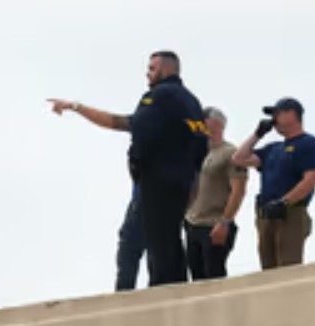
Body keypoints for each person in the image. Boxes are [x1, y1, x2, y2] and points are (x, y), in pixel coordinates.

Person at [50, 51, 207, 288]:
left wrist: (76, 106)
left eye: (152, 68)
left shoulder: (159, 96)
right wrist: (193, 183)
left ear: (166, 70)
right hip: (182, 185)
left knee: (148, 245)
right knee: (169, 241)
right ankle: (173, 290)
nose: (147, 73)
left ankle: (147, 295)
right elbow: (200, 148)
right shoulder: (192, 103)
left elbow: (127, 125)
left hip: (158, 185)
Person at [45, 99, 145, 291]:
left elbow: (113, 121)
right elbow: (112, 121)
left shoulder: (157, 124)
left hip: (151, 199)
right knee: (131, 248)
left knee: (144, 248)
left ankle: (132, 298)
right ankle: (125, 297)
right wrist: (76, 107)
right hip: (145, 198)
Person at [232, 97, 315, 270]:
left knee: (287, 266)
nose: (273, 119)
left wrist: (284, 202)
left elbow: (310, 180)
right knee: (268, 267)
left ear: (292, 114)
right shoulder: (273, 148)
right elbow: (239, 158)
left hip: (290, 213)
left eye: (277, 114)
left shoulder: (309, 144)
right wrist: (257, 134)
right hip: (266, 213)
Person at [184, 107, 248, 280]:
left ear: (217, 125)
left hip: (214, 225)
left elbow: (239, 190)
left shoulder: (230, 153)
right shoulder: (198, 153)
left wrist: (225, 221)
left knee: (214, 276)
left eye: (204, 120)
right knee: (196, 277)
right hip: (192, 223)